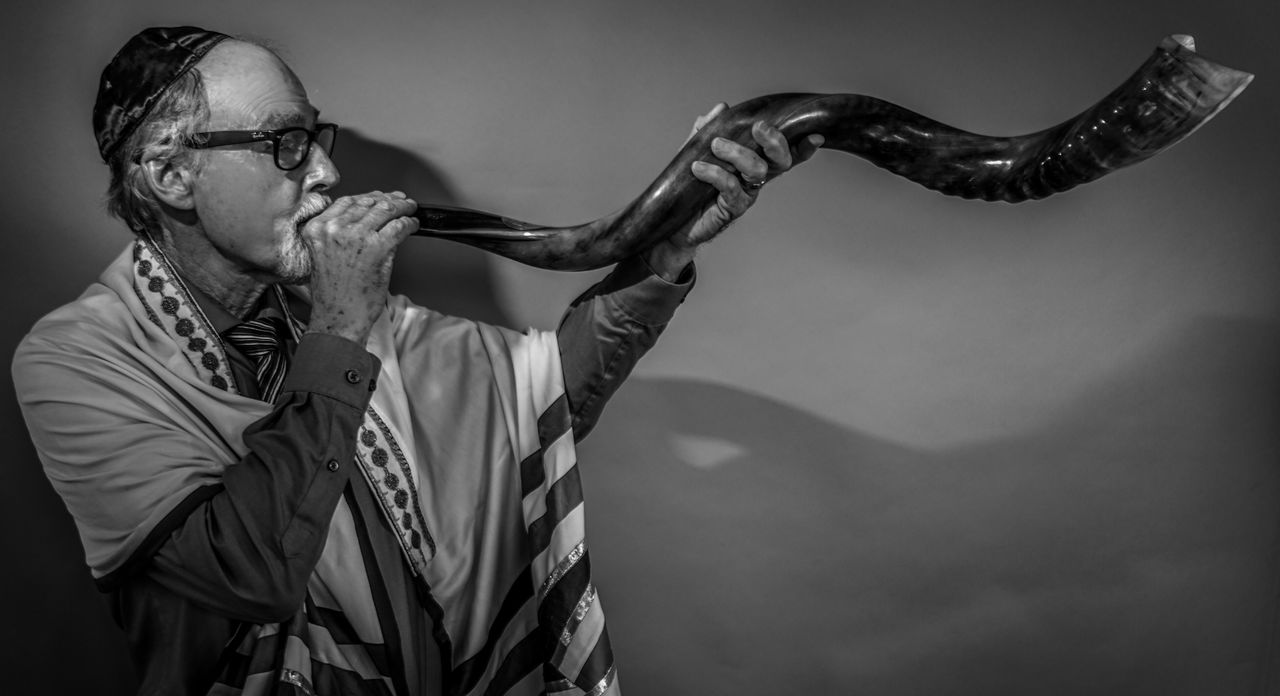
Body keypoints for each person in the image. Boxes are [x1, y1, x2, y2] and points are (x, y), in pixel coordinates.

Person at [13, 26, 821, 696]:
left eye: (316, 138)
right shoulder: (74, 360)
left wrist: (661, 253)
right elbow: (246, 572)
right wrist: (341, 324)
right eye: (286, 145)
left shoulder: (342, 312)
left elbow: (539, 404)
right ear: (169, 174)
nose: (326, 173)